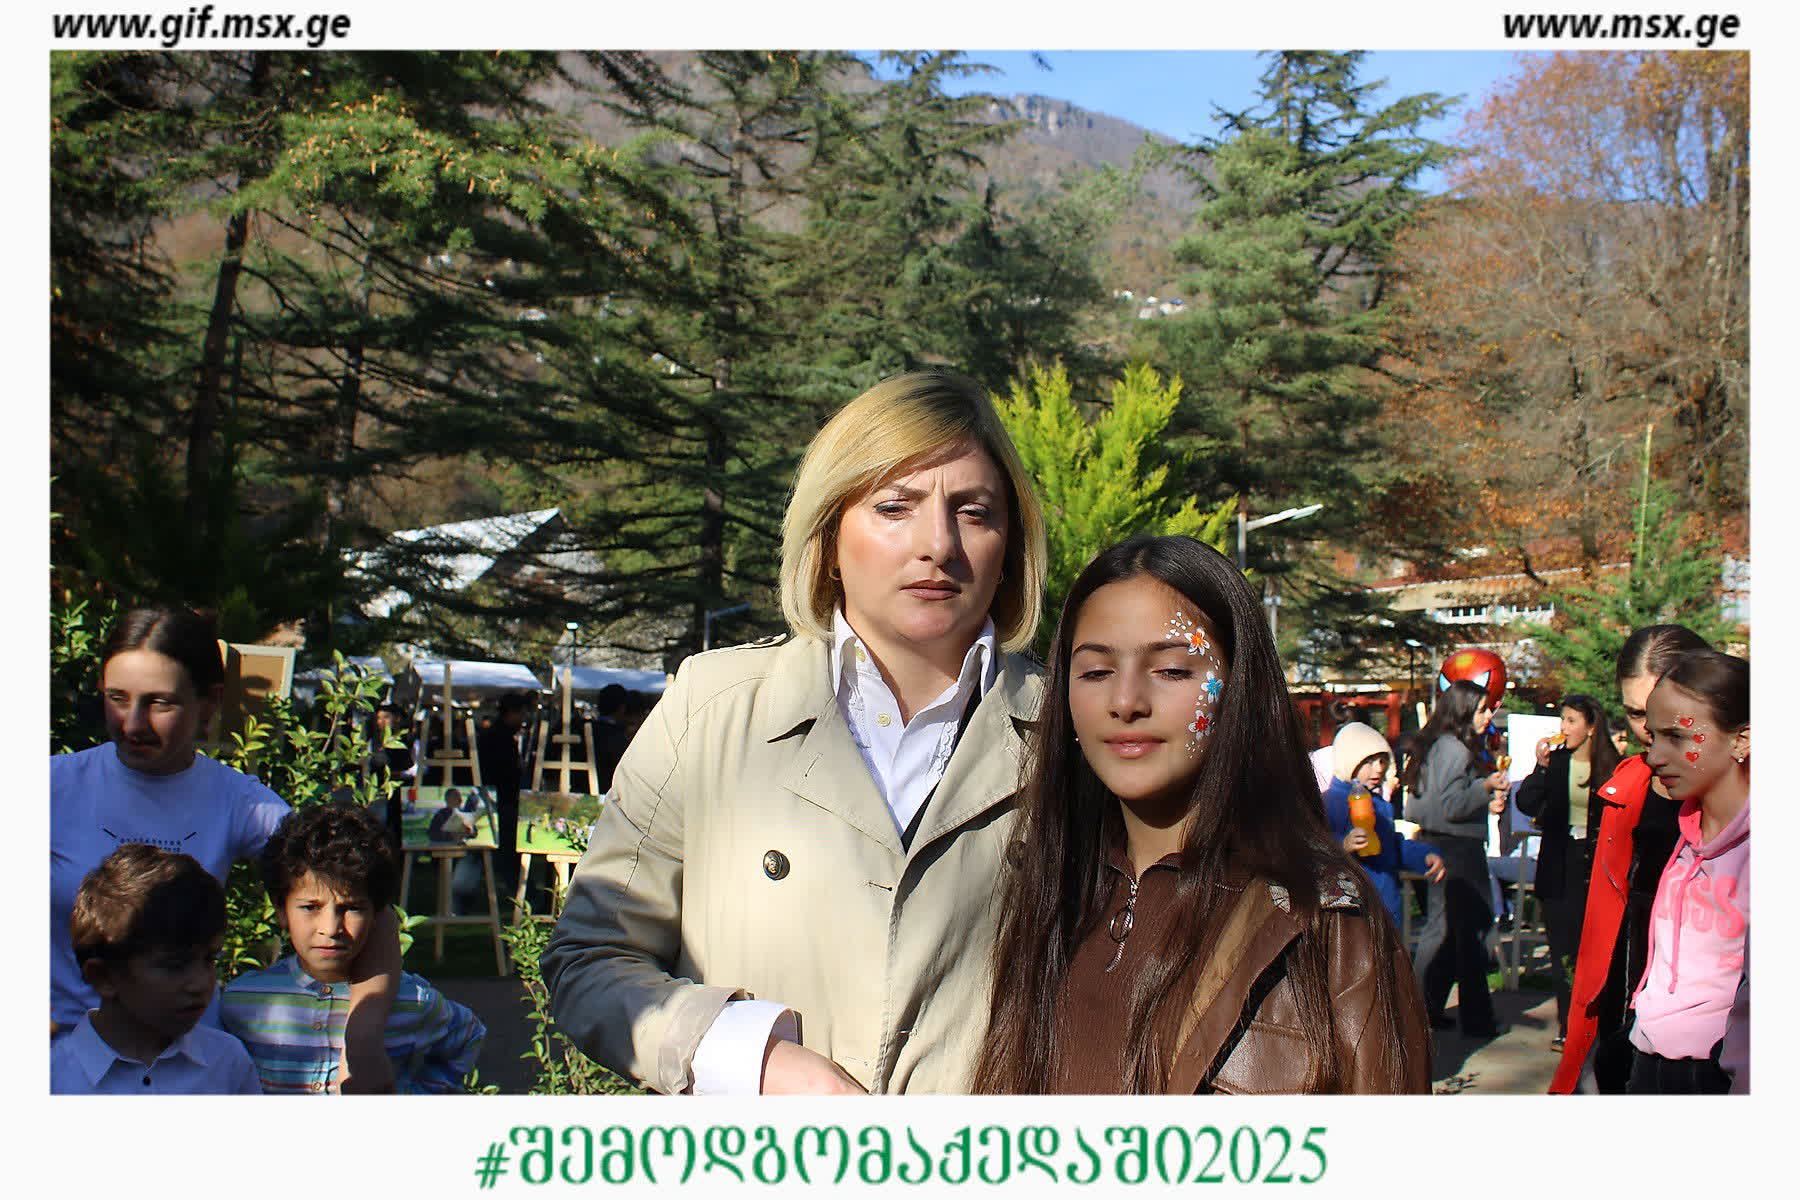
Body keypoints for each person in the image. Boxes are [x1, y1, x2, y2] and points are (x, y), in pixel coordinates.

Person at [542, 370, 1048, 1095]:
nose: (938, 544)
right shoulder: (711, 711)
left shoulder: (1070, 736)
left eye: (973, 511)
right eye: (893, 506)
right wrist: (753, 1058)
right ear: (829, 535)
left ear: (1010, 546)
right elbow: (590, 960)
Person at [973, 536, 1430, 1094]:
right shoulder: (1041, 894)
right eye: (1095, 671)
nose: (1126, 702)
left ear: (1240, 687)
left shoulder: (1327, 923)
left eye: (1171, 670)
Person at [50, 606, 402, 1088]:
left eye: (160, 703)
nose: (132, 723)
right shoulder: (51, 788)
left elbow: (362, 899)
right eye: (117, 698)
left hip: (190, 1073)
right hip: (63, 1067)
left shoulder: (238, 801)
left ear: (210, 702)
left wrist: (362, 1040)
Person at [221, 801, 486, 1094]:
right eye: (310, 907)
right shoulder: (242, 1002)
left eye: (351, 908)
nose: (331, 928)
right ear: (281, 911)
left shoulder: (413, 1001)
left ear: (376, 914)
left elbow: (468, 1035)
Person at [1549, 624, 1711, 1094]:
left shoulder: (1737, 790)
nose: (1648, 729)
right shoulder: (1629, 783)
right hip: (1627, 992)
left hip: (1704, 1019)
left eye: (1662, 711)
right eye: (1636, 713)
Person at [1624, 649, 1748, 1093]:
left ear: (1741, 740)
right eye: (1653, 736)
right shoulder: (1685, 832)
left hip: (1716, 1070)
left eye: (1677, 737)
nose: (1654, 756)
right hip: (1648, 1054)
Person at [52, 844, 263, 1094]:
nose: (200, 984)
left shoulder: (227, 1062)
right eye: (174, 965)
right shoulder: (56, 1077)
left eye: (209, 959)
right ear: (104, 977)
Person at [1403, 677, 1510, 1038]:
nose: (1487, 716)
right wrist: (1485, 787)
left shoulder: (1439, 744)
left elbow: (1439, 801)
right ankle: (1474, 1018)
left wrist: (1482, 799)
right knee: (1472, 934)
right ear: (1463, 711)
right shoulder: (1456, 748)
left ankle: (1424, 1009)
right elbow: (1451, 805)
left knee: (1445, 931)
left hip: (1440, 842)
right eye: (1481, 710)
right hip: (1458, 848)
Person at [1516, 694, 1621, 1051]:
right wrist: (1540, 767)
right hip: (1558, 865)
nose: (1564, 728)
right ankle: (1568, 1025)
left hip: (1594, 866)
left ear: (1591, 727)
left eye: (1572, 721)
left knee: (1594, 951)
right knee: (1563, 950)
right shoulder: (1557, 762)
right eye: (1562, 720)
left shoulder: (1612, 766)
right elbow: (1526, 802)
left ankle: (1599, 1024)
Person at [1320, 721, 1446, 928]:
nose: (1378, 768)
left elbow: (1392, 845)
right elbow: (1313, 852)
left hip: (1387, 908)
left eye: (1382, 760)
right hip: (1351, 915)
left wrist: (1423, 856)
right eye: (1368, 762)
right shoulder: (1327, 803)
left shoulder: (1377, 803)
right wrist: (1342, 846)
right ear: (1349, 761)